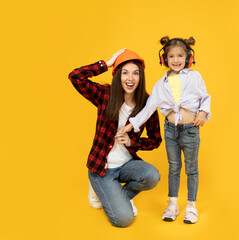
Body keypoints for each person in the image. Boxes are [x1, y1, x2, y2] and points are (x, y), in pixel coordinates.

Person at [116, 37, 211, 224]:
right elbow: (148, 109)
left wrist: (203, 112)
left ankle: (191, 206)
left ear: (188, 58)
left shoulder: (195, 77)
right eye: (171, 56)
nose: (176, 60)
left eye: (180, 56)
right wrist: (130, 125)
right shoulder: (161, 84)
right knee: (174, 168)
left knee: (191, 169)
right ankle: (173, 204)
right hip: (171, 132)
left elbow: (205, 97)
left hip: (190, 131)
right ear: (164, 59)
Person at [68, 49, 162, 228]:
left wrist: (133, 142)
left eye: (135, 73)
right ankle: (99, 188)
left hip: (127, 165)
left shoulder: (146, 105)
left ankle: (117, 197)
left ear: (141, 77)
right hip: (102, 167)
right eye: (125, 72)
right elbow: (75, 77)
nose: (130, 78)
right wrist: (106, 63)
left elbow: (155, 140)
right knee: (124, 220)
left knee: (152, 176)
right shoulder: (105, 95)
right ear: (117, 75)